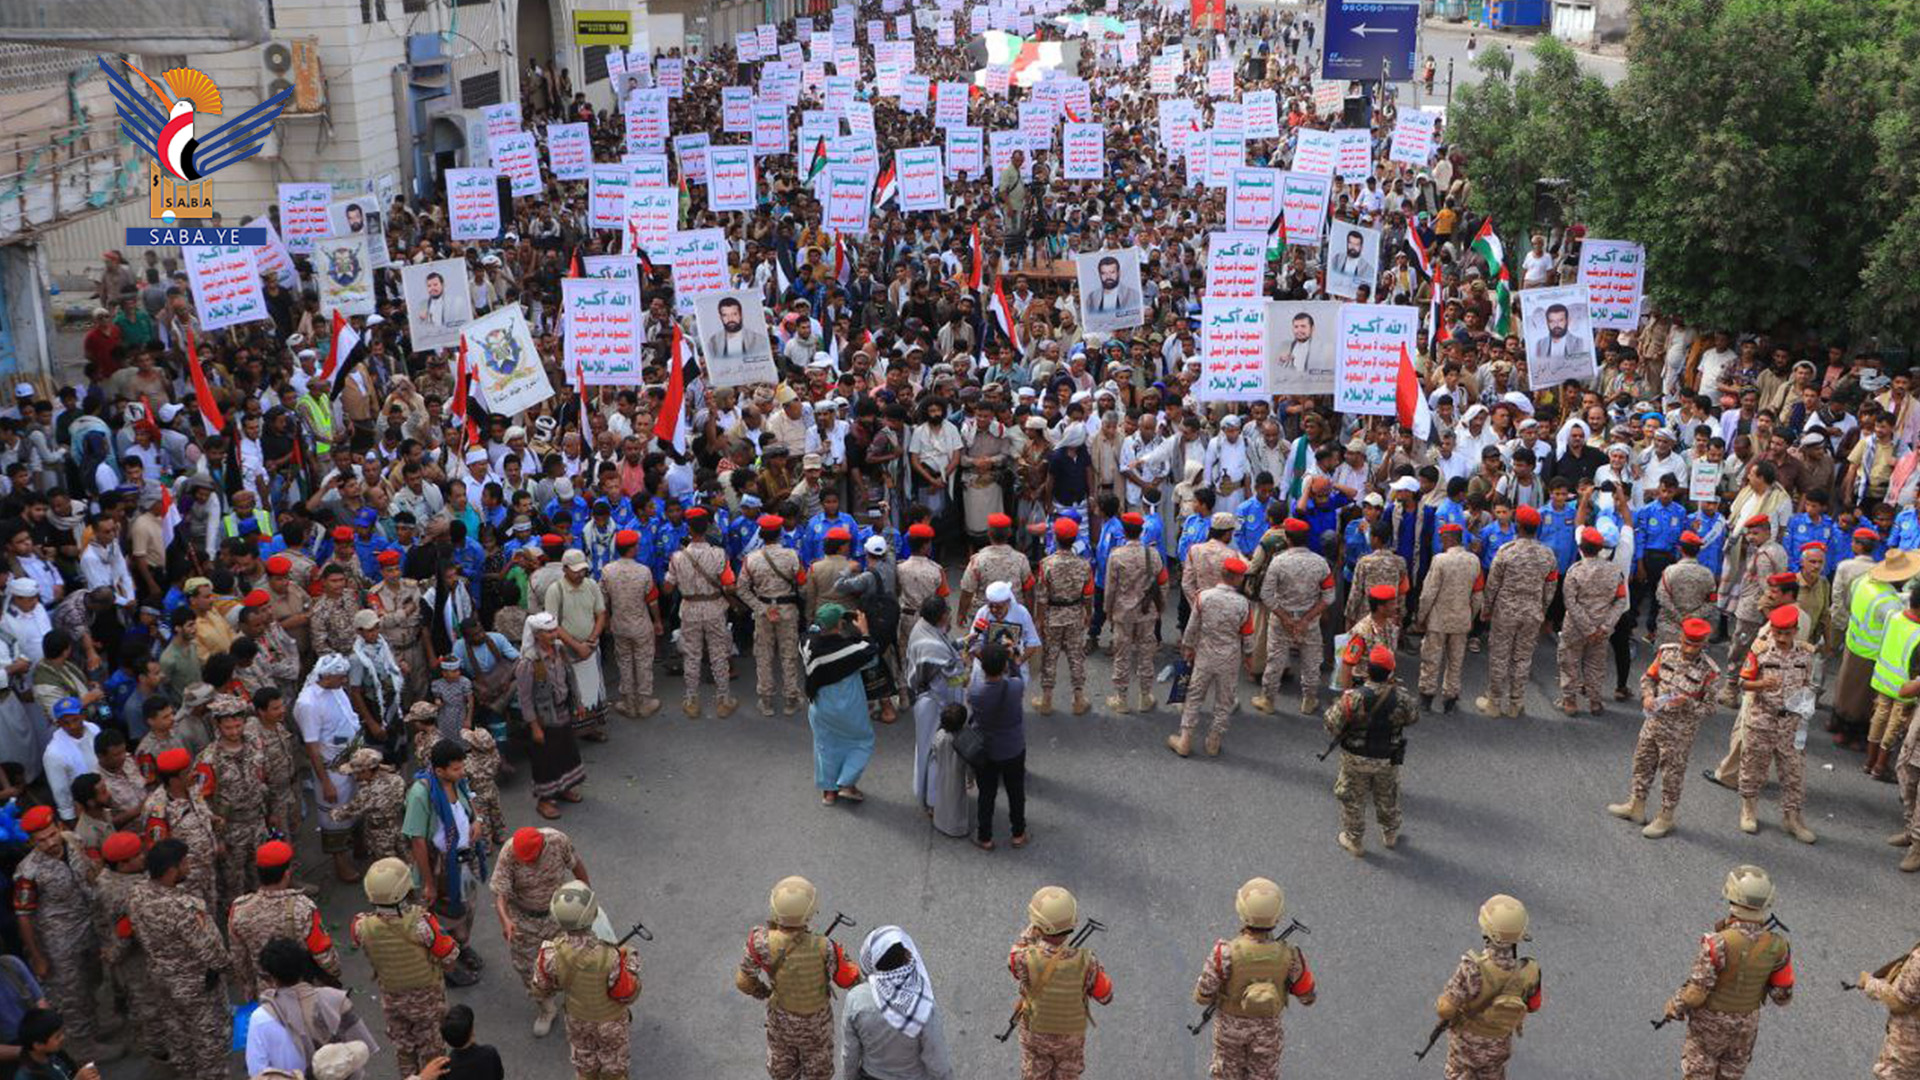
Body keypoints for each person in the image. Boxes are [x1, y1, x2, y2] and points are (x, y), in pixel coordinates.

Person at [1662, 866, 1792, 1078]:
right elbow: (1782, 996)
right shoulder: (1778, 946)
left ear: (1731, 897)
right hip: (1745, 1028)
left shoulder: (1717, 943)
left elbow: (1696, 993)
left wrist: (1675, 1006)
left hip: (1709, 1027)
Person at [11, 806, 118, 1062]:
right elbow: (23, 917)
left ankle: (93, 1029)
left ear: (59, 827)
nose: (49, 843)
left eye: (51, 835)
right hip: (59, 943)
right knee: (71, 994)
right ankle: (83, 1047)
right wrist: (38, 957)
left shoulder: (73, 841)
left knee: (92, 981)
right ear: (31, 842)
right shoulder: (28, 873)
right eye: (41, 840)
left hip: (88, 928)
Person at [733, 875, 860, 1080]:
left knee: (782, 1072)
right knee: (818, 1072)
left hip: (781, 1021)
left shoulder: (760, 942)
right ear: (810, 913)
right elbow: (848, 980)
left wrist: (763, 991)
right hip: (817, 1027)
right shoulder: (825, 947)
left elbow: (743, 980)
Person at [1191, 878, 1316, 1080]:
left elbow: (1202, 996)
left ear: (1241, 911)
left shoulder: (1224, 953)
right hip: (1267, 1033)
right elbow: (1307, 996)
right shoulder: (1290, 955)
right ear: (1278, 915)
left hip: (1229, 1031)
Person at [126, 839, 229, 1079]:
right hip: (195, 985)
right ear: (172, 870)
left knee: (178, 1035)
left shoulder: (137, 893)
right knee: (210, 1041)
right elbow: (211, 951)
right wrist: (232, 969)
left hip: (162, 978)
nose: (189, 865)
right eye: (185, 862)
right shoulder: (184, 907)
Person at [350, 857, 460, 1076]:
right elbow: (449, 955)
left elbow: (360, 942)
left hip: (392, 998)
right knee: (433, 1053)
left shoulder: (361, 926)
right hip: (427, 999)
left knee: (404, 1050)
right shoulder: (423, 923)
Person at [532, 882, 641, 1080]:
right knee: (615, 1068)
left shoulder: (549, 953)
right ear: (592, 915)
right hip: (611, 1022)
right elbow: (627, 993)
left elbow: (540, 988)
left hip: (577, 1019)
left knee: (584, 1065)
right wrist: (631, 958)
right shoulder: (611, 955)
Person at [403, 739, 487, 985]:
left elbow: (469, 799)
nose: (462, 772)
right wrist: (428, 883)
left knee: (467, 908)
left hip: (464, 860)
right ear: (439, 770)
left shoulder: (456, 780)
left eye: (462, 767)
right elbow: (417, 841)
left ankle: (462, 946)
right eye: (456, 769)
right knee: (442, 916)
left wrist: (477, 820)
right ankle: (447, 966)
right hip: (441, 867)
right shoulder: (421, 793)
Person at [490, 826, 589, 1035]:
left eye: (531, 859)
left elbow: (577, 866)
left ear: (542, 846)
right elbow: (500, 896)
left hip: (560, 914)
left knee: (573, 960)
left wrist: (587, 899)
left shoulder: (557, 840)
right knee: (529, 969)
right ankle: (547, 1009)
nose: (526, 863)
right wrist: (505, 921)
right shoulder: (509, 854)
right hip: (525, 922)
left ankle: (578, 1004)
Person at [1323, 645, 1419, 857]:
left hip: (1355, 759)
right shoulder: (1402, 698)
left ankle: (1354, 840)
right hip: (1387, 758)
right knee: (1388, 796)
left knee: (1353, 799)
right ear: (1391, 672)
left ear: (1367, 669)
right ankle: (1390, 834)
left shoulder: (1353, 698)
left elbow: (1331, 724)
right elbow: (1413, 717)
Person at [1008, 886, 1112, 1080]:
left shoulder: (1023, 958)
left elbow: (1014, 959)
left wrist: (1033, 931)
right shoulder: (1087, 962)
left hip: (1035, 1032)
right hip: (1070, 1035)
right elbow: (1106, 995)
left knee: (1034, 1072)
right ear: (1074, 922)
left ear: (1037, 925)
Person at [1433, 895, 1542, 1080]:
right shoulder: (1530, 970)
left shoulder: (1472, 968)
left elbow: (1446, 1009)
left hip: (1465, 1044)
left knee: (1457, 1072)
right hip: (1499, 1043)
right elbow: (1534, 1005)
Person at [1737, 604, 1819, 841]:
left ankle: (1792, 817)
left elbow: (1808, 684)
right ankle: (1749, 809)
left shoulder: (1805, 654)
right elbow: (1742, 682)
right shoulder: (1760, 651)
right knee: (1753, 766)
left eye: (1787, 633)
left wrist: (1806, 704)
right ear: (1771, 630)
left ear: (1796, 630)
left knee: (1793, 772)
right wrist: (1760, 685)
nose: (1782, 638)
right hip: (1762, 718)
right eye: (1777, 632)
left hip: (1791, 723)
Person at [245, 937, 380, 1077]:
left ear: (271, 977)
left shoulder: (260, 1018)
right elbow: (361, 1048)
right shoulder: (335, 999)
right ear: (303, 968)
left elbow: (257, 1071)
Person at [228, 840, 343, 1001]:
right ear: (287, 873)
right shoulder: (302, 907)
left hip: (266, 992)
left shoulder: (239, 908)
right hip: (303, 990)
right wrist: (335, 974)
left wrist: (249, 987)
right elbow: (323, 953)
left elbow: (239, 958)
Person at [842, 926, 955, 1080]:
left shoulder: (857, 998)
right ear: (907, 957)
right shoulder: (923, 1006)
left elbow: (850, 1052)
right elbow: (937, 1061)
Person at [1476, 504, 1557, 717]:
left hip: (1505, 612)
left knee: (1499, 656)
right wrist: (1542, 610)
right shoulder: (1547, 555)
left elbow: (1492, 584)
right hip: (1532, 613)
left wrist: (1486, 609)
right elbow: (1550, 588)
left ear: (1517, 526)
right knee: (1523, 657)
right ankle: (1516, 703)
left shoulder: (1506, 551)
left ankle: (1494, 703)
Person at [1169, 555, 1253, 758]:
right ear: (1238, 578)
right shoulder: (1243, 604)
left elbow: (1192, 626)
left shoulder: (1203, 596)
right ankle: (1214, 741)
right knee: (1224, 700)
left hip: (1205, 654)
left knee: (1194, 696)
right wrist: (1248, 657)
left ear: (1222, 574)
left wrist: (1188, 647)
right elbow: (1247, 634)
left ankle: (1185, 740)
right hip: (1230, 657)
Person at [800, 603, 879, 805]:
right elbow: (871, 653)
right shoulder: (848, 650)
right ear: (840, 623)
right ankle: (847, 783)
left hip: (819, 705)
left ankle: (829, 792)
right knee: (862, 741)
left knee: (825, 745)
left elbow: (811, 632)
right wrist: (864, 631)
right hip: (847, 704)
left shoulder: (806, 643)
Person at [1254, 519, 1334, 717]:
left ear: (1288, 539)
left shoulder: (1278, 561)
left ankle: (1268, 700)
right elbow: (1328, 596)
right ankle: (1309, 700)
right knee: (1311, 661)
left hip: (1282, 621)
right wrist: (1307, 618)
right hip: (1310, 622)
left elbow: (1266, 594)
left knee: (1275, 660)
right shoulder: (1320, 562)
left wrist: (1286, 617)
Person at [667, 510, 738, 718]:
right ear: (707, 528)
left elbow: (668, 588)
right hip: (715, 607)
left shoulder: (677, 557)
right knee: (718, 654)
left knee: (691, 655)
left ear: (688, 529)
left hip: (689, 609)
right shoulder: (719, 554)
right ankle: (724, 701)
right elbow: (729, 584)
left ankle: (691, 701)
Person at [516, 612, 587, 819]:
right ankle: (545, 800)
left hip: (563, 711)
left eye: (555, 630)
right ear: (537, 634)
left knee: (566, 752)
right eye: (548, 632)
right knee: (545, 759)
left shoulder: (560, 651)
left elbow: (570, 678)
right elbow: (525, 699)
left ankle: (564, 788)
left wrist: (578, 703)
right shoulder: (529, 663)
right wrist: (534, 726)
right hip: (543, 719)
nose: (553, 635)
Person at [1557, 527, 1629, 715]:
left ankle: (1569, 701)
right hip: (1602, 627)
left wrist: (1587, 628)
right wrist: (1605, 626)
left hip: (1575, 627)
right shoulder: (1615, 571)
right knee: (1595, 664)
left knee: (1569, 662)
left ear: (1581, 546)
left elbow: (1570, 602)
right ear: (1600, 548)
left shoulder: (1575, 571)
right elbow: (1621, 600)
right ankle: (1595, 702)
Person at [740, 514, 807, 716]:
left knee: (764, 655)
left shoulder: (750, 559)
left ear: (761, 534)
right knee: (788, 655)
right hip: (787, 610)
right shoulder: (792, 555)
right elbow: (803, 585)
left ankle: (766, 701)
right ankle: (790, 700)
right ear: (779, 534)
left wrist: (759, 607)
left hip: (764, 612)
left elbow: (741, 588)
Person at [905, 596, 966, 817]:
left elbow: (947, 648)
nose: (950, 614)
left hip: (927, 699)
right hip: (933, 703)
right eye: (948, 611)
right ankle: (932, 800)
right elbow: (953, 673)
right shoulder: (930, 644)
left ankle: (927, 793)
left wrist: (964, 642)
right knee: (935, 751)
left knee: (927, 749)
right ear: (941, 616)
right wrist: (968, 661)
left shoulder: (924, 628)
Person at [1103, 511, 1166, 714]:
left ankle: (1121, 699)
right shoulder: (1153, 554)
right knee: (1146, 655)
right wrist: (1161, 607)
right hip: (1147, 612)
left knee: (1122, 656)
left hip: (1123, 614)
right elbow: (1162, 584)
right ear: (1141, 531)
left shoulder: (1116, 555)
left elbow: (1110, 588)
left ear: (1124, 531)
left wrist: (1108, 611)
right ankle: (1145, 697)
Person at [968, 642, 1028, 850]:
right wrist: (1013, 660)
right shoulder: (1015, 687)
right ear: (1004, 666)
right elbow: (1017, 676)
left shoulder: (975, 691)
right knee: (1016, 791)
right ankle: (1018, 833)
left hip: (987, 750)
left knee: (986, 794)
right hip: (1013, 748)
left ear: (983, 667)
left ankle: (985, 837)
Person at [1415, 522, 1480, 712]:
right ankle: (1450, 699)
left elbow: (1428, 593)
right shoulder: (1473, 561)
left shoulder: (1440, 560)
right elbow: (1477, 595)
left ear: (1447, 539)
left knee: (1431, 660)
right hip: (1461, 620)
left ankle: (1426, 697)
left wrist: (1420, 618)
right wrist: (1470, 615)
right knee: (1456, 661)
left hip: (1438, 620)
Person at [1032, 517, 1093, 715]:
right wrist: (1088, 614)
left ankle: (1047, 700)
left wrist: (1039, 620)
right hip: (1075, 614)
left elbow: (1042, 596)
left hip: (1053, 615)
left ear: (1056, 538)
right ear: (1074, 539)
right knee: (1076, 656)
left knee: (1050, 656)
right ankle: (1078, 699)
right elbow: (1088, 594)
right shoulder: (1084, 565)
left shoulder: (1046, 564)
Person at [13, 1009, 102, 1080]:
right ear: (38, 1045)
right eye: (57, 1036)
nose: (63, 1037)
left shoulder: (57, 1056)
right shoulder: (26, 1076)